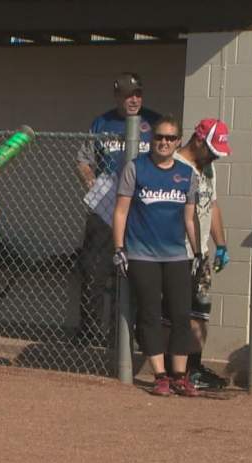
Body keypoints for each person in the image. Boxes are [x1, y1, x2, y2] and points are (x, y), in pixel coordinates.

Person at [111, 115, 200, 396]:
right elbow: (121, 211)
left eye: (170, 138)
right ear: (152, 139)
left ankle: (179, 376)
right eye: (159, 136)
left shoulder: (187, 174)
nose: (164, 142)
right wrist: (119, 248)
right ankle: (160, 376)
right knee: (150, 314)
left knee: (181, 315)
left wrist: (198, 252)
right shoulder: (136, 168)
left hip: (176, 255)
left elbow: (190, 218)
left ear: (178, 141)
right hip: (142, 254)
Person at [75, 72, 162, 346]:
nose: (134, 100)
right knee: (94, 269)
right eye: (127, 95)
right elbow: (83, 160)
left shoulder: (154, 122)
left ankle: (122, 336)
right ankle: (90, 333)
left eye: (138, 94)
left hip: (141, 208)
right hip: (106, 205)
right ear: (117, 97)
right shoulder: (102, 123)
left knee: (134, 273)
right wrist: (92, 183)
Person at [165, 119, 232, 389]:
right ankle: (172, 371)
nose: (215, 156)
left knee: (200, 312)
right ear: (198, 140)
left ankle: (193, 367)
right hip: (177, 252)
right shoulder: (174, 165)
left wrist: (221, 244)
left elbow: (212, 206)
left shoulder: (208, 168)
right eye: (212, 150)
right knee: (175, 314)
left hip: (200, 253)